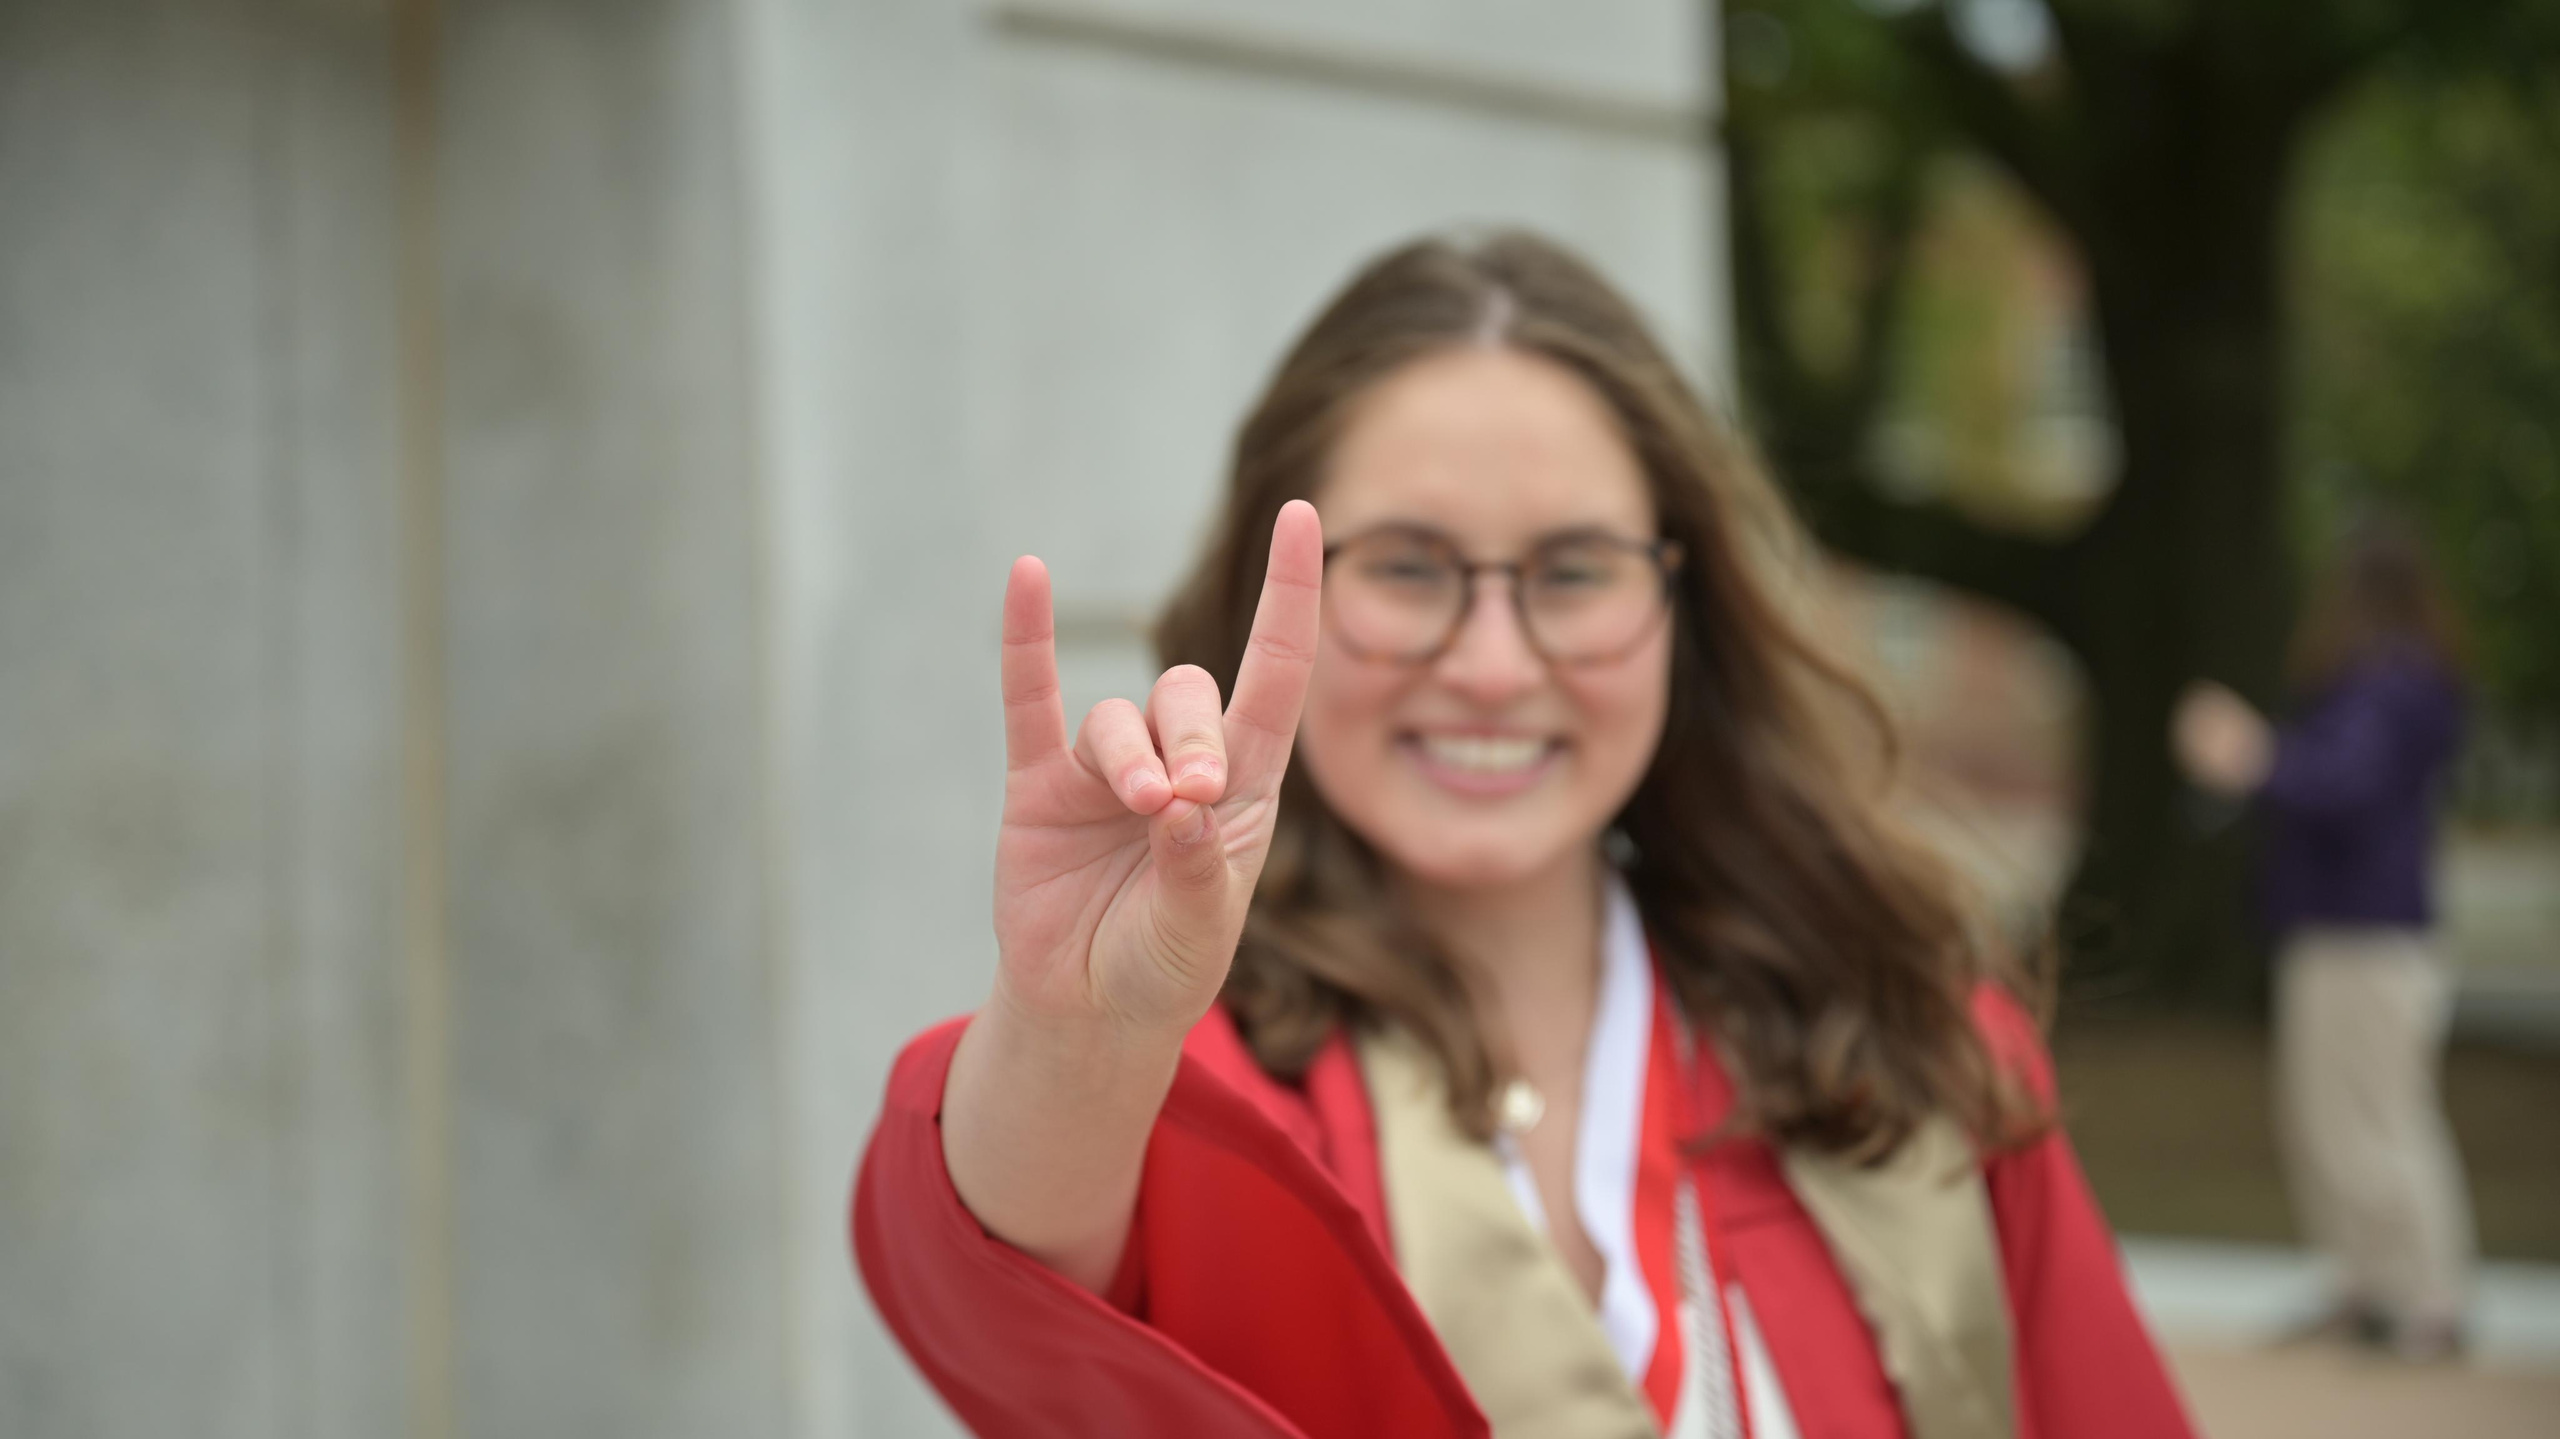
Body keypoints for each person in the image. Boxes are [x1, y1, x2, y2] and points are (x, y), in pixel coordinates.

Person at [857, 232, 2197, 1438]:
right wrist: (1069, 1030)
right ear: (1279, 603)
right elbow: (983, 1287)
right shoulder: (1184, 1095)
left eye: (1572, 571)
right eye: (1408, 566)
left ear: (1688, 602)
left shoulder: (1912, 1042)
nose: (1494, 665)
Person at [2172, 515, 2474, 1363]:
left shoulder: (2397, 682)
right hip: (2336, 928)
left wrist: (2251, 754)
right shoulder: (2376, 683)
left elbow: (2343, 786)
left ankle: (2432, 1295)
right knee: (2326, 1118)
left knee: (2380, 1114)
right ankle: (2368, 1285)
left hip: (2371, 934)